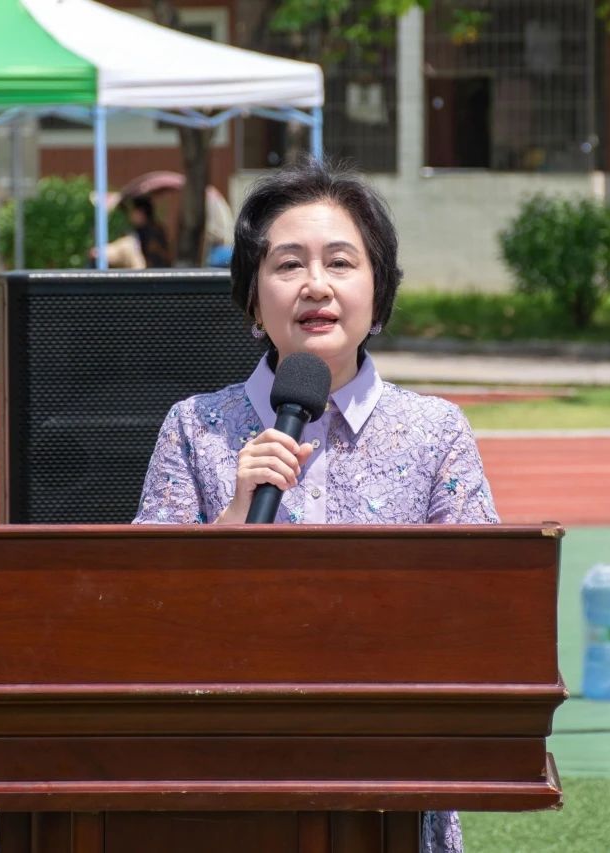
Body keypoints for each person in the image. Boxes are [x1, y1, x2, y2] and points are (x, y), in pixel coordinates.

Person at [133, 159, 498, 853]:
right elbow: (137, 616)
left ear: (378, 293)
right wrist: (231, 524)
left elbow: (481, 609)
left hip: (391, 776)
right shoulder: (194, 426)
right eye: (288, 264)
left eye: (340, 262)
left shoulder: (436, 431)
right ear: (252, 299)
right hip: (226, 773)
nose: (316, 285)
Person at [129, 195, 171, 267]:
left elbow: (162, 255)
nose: (131, 215)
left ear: (142, 213)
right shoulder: (137, 231)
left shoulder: (154, 231)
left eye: (134, 211)